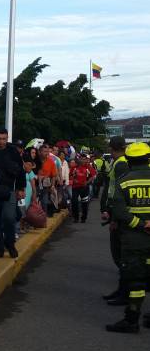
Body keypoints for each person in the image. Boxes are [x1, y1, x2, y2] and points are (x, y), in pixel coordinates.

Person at [104, 142, 150, 333]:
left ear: (129, 160)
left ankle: (131, 320)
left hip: (134, 238)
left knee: (136, 281)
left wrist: (141, 225)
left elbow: (121, 212)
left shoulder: (124, 181)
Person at [0, 129, 26, 258]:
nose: (1, 141)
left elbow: (21, 171)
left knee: (9, 218)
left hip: (9, 190)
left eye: (4, 139)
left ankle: (10, 243)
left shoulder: (13, 151)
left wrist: (21, 188)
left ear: (7, 138)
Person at [100, 136, 130, 304]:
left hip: (118, 214)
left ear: (111, 148)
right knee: (120, 255)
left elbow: (119, 193)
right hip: (115, 212)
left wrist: (114, 217)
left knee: (120, 255)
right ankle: (122, 290)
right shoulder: (119, 162)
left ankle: (125, 293)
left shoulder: (121, 164)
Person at [69, 155, 93, 223]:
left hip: (84, 188)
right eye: (81, 159)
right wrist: (74, 180)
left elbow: (92, 176)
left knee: (84, 203)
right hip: (75, 187)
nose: (82, 160)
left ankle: (83, 218)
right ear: (79, 159)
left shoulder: (88, 167)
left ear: (86, 160)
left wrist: (87, 182)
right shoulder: (74, 167)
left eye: (84, 159)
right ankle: (76, 218)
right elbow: (70, 175)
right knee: (74, 202)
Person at [37, 144, 59, 217]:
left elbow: (54, 175)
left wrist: (52, 185)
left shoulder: (51, 162)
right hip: (35, 184)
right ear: (40, 152)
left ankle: (43, 217)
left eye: (47, 151)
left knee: (44, 202)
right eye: (44, 151)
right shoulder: (36, 160)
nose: (46, 153)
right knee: (35, 202)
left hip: (46, 185)